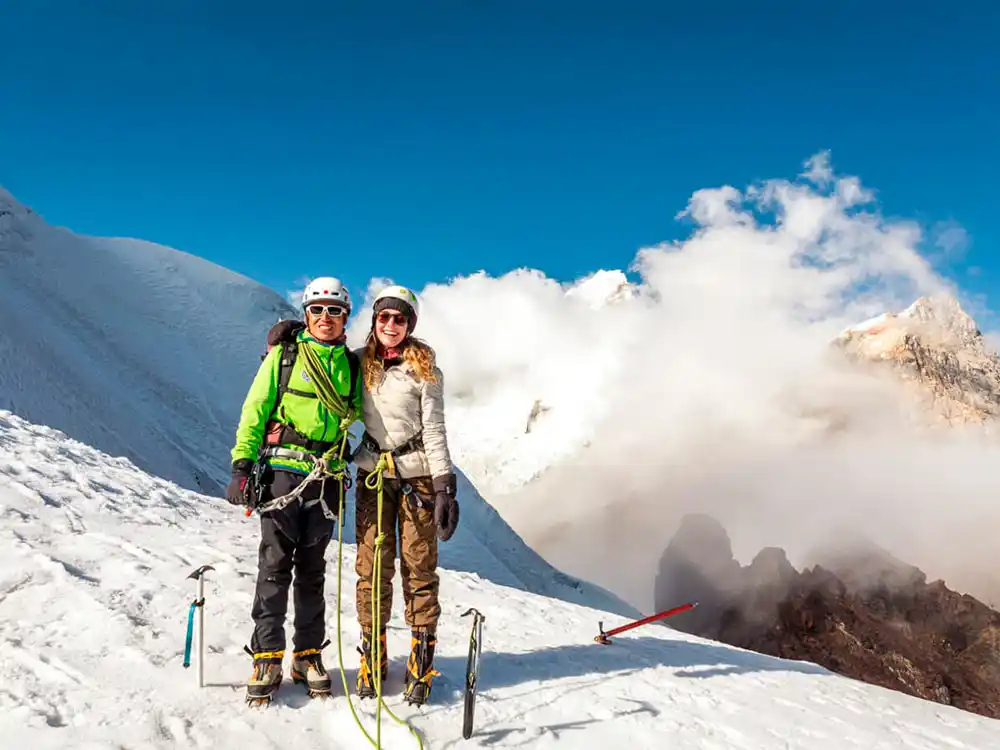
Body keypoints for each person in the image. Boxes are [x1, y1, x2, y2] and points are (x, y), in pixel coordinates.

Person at [226, 276, 363, 705]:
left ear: (345, 318)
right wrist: (242, 465)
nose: (326, 318)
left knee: (312, 570)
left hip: (327, 476)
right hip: (282, 473)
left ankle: (307, 654)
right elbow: (256, 408)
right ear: (306, 315)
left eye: (334, 310)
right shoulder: (285, 357)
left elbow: (362, 412)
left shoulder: (353, 367)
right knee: (275, 565)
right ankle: (266, 655)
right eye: (318, 310)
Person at [352, 284, 460, 706]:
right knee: (372, 566)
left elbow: (434, 429)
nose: (391, 325)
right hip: (373, 474)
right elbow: (320, 364)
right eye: (384, 317)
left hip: (415, 478)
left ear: (410, 324)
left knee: (419, 566)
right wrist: (286, 338)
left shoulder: (425, 369)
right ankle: (373, 655)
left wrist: (444, 485)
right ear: (375, 321)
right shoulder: (359, 363)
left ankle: (421, 656)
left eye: (400, 319)